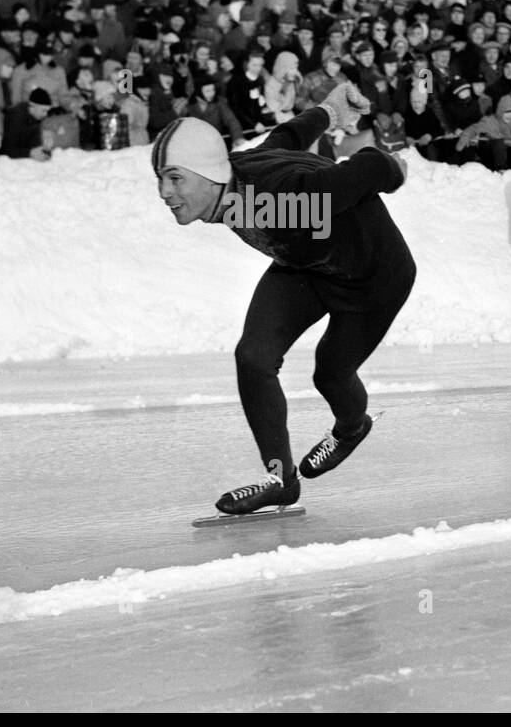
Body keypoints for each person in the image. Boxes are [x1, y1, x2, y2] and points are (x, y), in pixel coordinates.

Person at [152, 82, 414, 516]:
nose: (164, 192)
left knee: (331, 374)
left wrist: (391, 166)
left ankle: (351, 428)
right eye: (161, 178)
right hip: (305, 264)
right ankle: (280, 479)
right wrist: (329, 111)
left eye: (175, 177)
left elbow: (356, 175)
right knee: (253, 356)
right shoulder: (234, 173)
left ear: (208, 175)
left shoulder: (283, 203)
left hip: (372, 277)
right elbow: (285, 139)